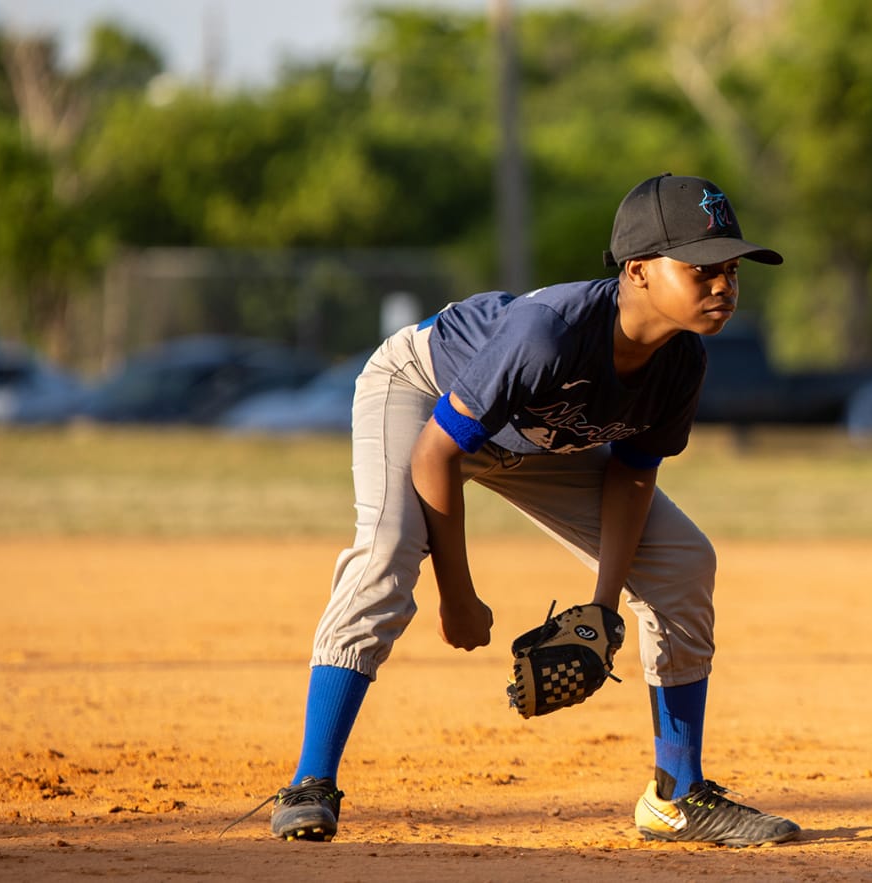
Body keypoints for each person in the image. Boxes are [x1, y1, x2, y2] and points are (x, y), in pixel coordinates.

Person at [258, 174, 802, 847]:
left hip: (541, 433)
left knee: (683, 562)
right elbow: (436, 453)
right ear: (638, 270)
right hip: (425, 392)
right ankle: (310, 781)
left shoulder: (681, 359)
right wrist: (457, 596)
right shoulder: (549, 333)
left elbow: (632, 476)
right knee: (389, 549)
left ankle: (677, 795)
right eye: (701, 268)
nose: (723, 284)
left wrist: (603, 609)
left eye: (731, 269)